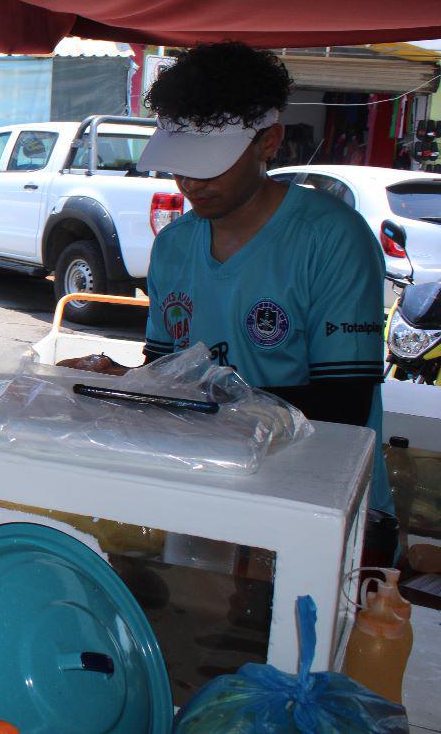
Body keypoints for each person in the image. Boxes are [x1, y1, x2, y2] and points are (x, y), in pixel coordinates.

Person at [133, 41, 393, 515]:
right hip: (205, 488)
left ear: (269, 141)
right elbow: (162, 370)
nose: (190, 183)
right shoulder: (173, 247)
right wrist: (126, 383)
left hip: (320, 502)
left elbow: (342, 407)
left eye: (209, 163)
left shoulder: (331, 238)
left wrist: (202, 399)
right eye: (180, 163)